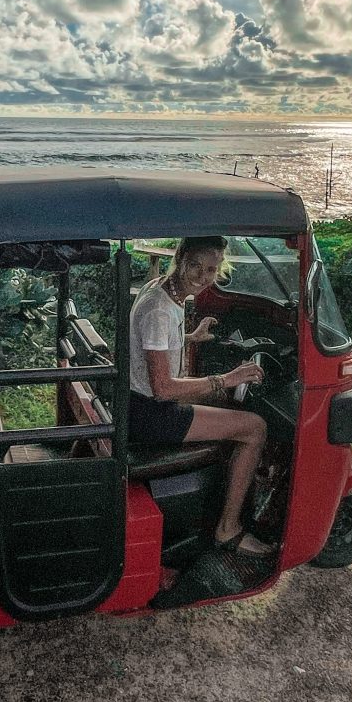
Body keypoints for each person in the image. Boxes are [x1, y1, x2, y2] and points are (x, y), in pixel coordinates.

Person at [129, 236, 273, 557]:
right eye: (195, 265)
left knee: (229, 404)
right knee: (254, 428)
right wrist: (227, 378)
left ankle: (223, 491)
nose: (202, 276)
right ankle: (228, 530)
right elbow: (163, 388)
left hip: (141, 403)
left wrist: (191, 338)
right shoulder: (160, 311)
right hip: (152, 414)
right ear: (180, 257)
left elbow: (155, 347)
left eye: (211, 269)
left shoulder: (161, 289)